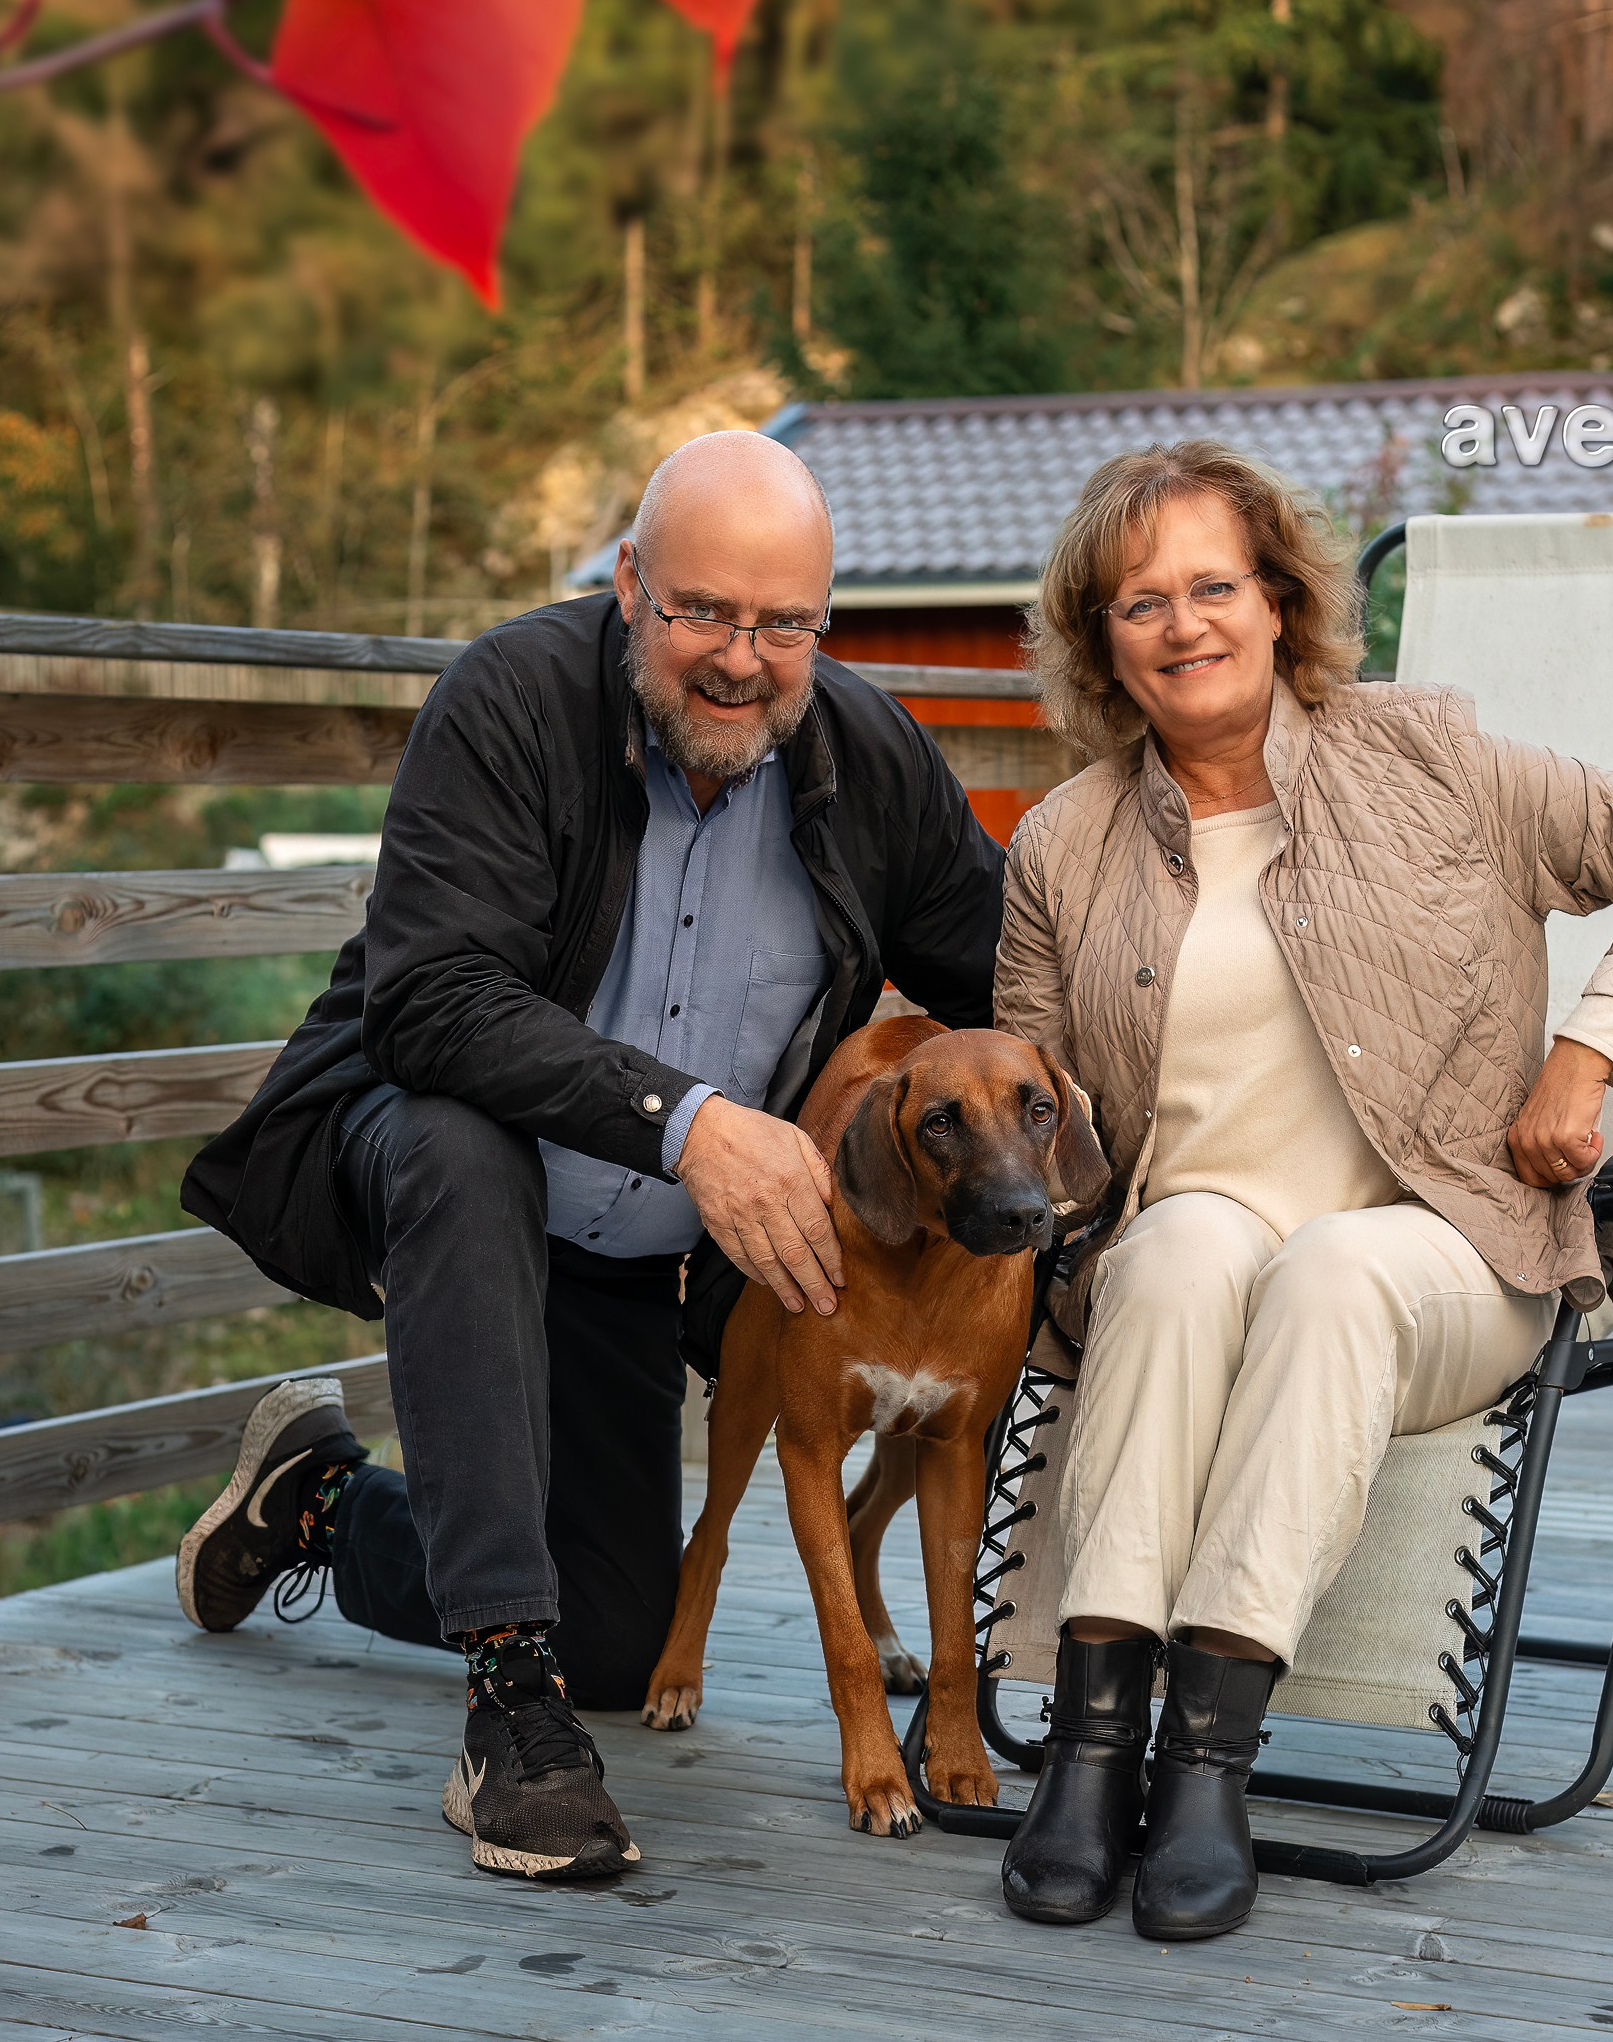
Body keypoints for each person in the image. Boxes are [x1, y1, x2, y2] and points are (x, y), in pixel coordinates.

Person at [174, 431, 1004, 1883]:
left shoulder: (874, 761)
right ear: (628, 584)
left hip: (628, 1256)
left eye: (784, 625)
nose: (741, 660)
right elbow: (430, 1004)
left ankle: (315, 1499)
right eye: (703, 612)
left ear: (823, 626)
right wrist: (692, 1123)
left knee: (619, 1643)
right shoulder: (509, 700)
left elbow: (1016, 987)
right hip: (432, 1172)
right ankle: (510, 1717)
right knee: (463, 1143)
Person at [991, 441, 1613, 1942]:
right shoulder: (1064, 846)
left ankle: (1204, 1767)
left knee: (1333, 1270)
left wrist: (1584, 1061)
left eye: (1214, 586)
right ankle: (1089, 1754)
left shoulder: (1432, 763)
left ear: (1279, 601)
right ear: (1102, 644)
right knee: (1179, 1250)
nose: (1184, 624)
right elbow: (1044, 1114)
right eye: (1141, 603)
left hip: (1443, 1257)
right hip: (1181, 1273)